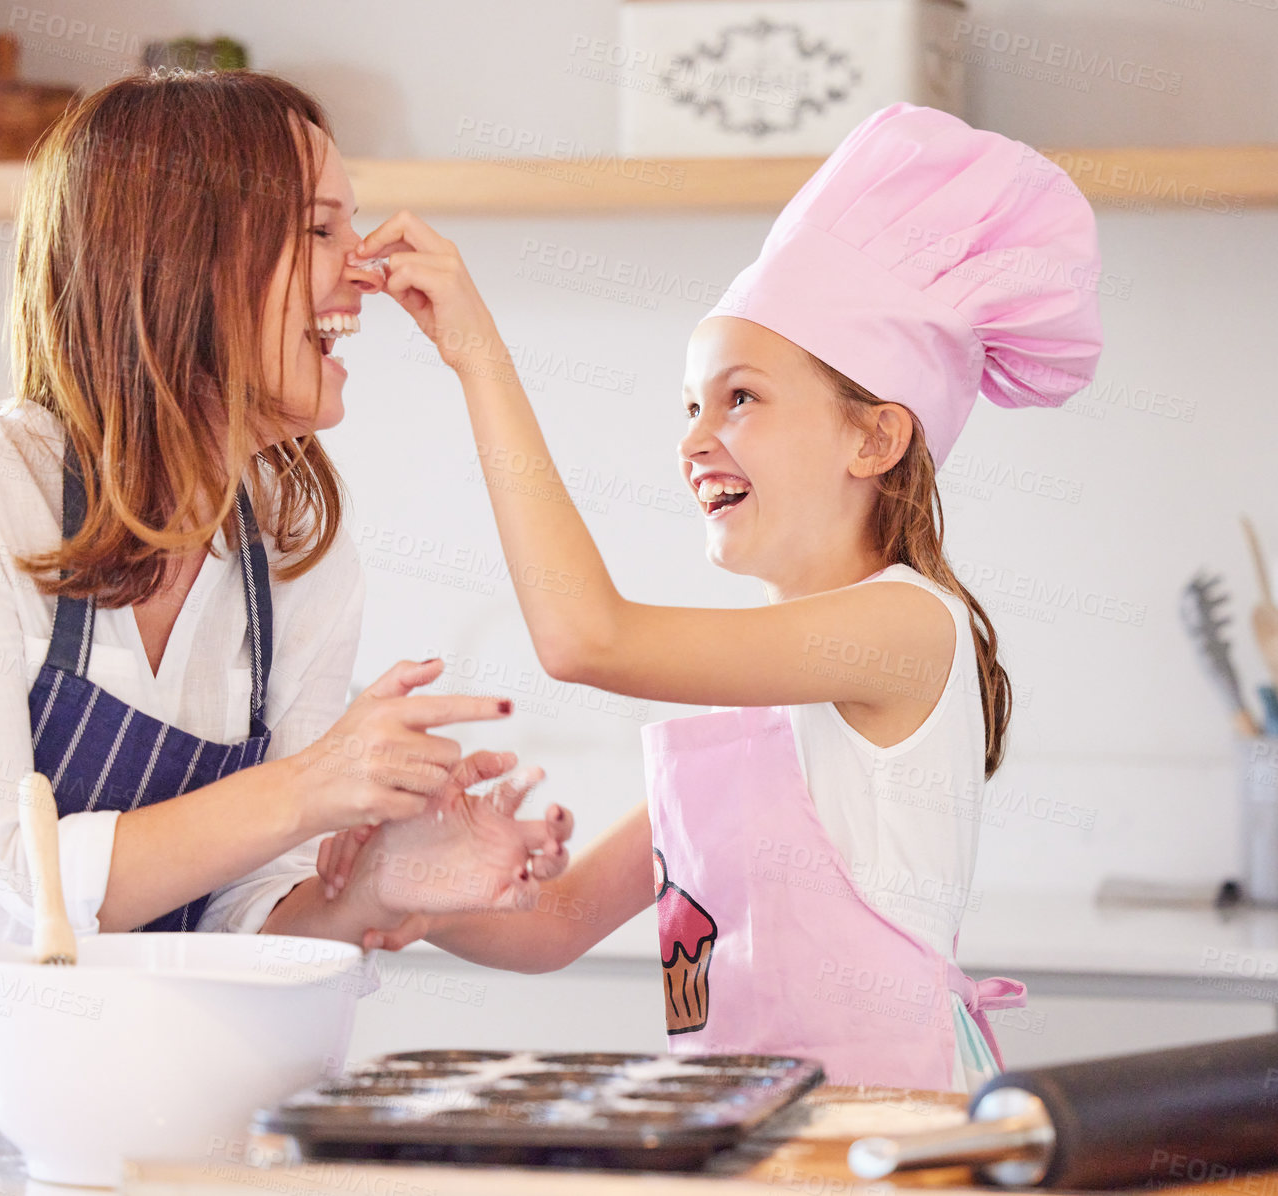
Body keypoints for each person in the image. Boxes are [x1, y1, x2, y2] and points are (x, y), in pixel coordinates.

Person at [0, 70, 572, 1118]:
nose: (365, 271)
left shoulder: (294, 556)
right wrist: (311, 783)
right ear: (182, 260)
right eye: (319, 229)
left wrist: (373, 887)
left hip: (84, 1113)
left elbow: (240, 925)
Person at [319, 103, 1104, 1092]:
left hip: (888, 1144)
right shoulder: (757, 712)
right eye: (691, 403)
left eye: (742, 396)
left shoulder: (907, 627)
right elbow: (555, 923)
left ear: (874, 438)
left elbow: (585, 636)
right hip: (754, 1133)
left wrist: (480, 355)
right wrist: (419, 887)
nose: (693, 439)